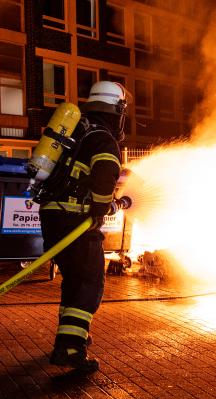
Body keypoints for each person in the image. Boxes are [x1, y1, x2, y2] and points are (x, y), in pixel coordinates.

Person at [39, 81, 131, 372]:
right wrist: (101, 208)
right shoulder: (103, 137)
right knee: (90, 282)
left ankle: (71, 336)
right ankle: (70, 348)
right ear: (117, 110)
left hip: (52, 216)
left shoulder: (79, 129)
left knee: (75, 280)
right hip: (74, 219)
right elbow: (105, 175)